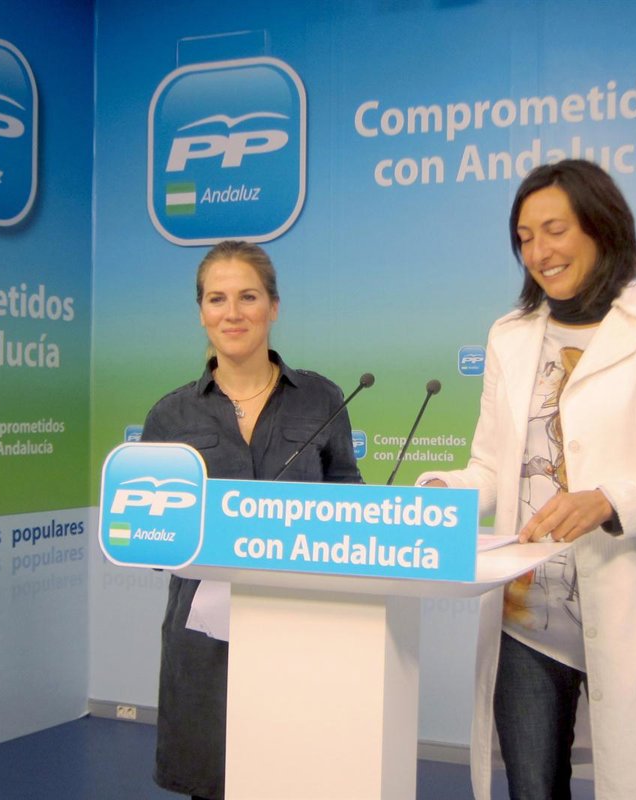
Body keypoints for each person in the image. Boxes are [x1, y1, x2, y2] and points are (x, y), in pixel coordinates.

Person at [419, 160, 636, 800]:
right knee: (532, 789)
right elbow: (492, 466)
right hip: (526, 616)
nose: (539, 251)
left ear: (601, 226)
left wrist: (610, 501)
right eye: (524, 237)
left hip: (631, 607)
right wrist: (442, 497)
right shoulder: (510, 337)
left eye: (555, 230)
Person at [141, 241, 363, 800]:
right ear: (201, 312)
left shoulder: (322, 398)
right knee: (212, 780)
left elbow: (347, 496)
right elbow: (150, 538)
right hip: (205, 642)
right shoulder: (169, 415)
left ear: (274, 307)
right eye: (217, 299)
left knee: (298, 777)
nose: (232, 313)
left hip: (301, 626)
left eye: (248, 297)